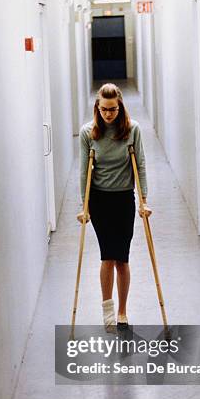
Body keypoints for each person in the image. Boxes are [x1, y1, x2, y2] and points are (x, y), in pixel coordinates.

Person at [77, 83, 151, 330]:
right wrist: (84, 205)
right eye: (104, 109)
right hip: (99, 201)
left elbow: (140, 165)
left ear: (120, 107)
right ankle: (107, 310)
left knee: (122, 258)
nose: (109, 114)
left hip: (123, 200)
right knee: (107, 257)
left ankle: (122, 312)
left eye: (113, 109)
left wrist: (144, 200)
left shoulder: (132, 130)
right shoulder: (89, 133)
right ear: (97, 107)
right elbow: (83, 172)